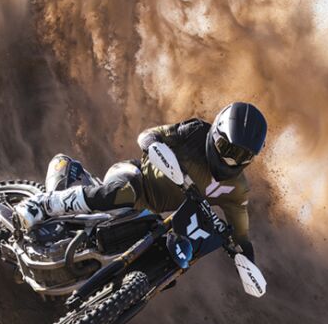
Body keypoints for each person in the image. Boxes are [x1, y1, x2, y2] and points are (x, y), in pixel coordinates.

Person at [14, 102, 267, 262]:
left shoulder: (237, 189)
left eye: (241, 156)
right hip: (135, 178)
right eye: (225, 147)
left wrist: (246, 260)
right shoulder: (195, 131)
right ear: (216, 132)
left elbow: (241, 234)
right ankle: (44, 204)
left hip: (151, 216)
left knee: (157, 252)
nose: (229, 160)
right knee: (123, 193)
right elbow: (149, 135)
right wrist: (154, 145)